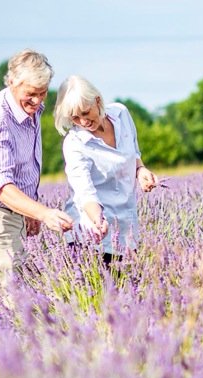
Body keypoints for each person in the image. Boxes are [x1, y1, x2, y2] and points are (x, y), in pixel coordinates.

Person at [0, 49, 74, 288]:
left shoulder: (29, 109)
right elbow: (0, 187)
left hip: (10, 215)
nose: (37, 101)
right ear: (11, 82)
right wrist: (43, 213)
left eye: (42, 93)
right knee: (4, 299)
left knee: (22, 295)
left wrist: (29, 210)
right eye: (31, 93)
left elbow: (22, 169)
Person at [52, 75, 158, 265]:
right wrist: (97, 219)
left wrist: (141, 170)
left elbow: (133, 153)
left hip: (126, 227)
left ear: (97, 101)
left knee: (130, 281)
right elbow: (84, 192)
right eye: (75, 117)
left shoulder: (121, 114)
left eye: (86, 112)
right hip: (92, 233)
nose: (83, 121)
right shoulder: (74, 144)